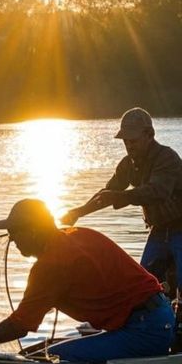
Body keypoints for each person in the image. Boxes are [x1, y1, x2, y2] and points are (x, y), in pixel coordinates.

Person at [0, 198, 175, 364]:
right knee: (45, 352)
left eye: (14, 232)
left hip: (144, 329)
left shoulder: (51, 265)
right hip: (160, 316)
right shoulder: (78, 234)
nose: (12, 240)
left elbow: (20, 325)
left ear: (33, 231)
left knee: (53, 359)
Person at [61, 107, 182, 291]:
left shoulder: (167, 158)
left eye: (133, 140)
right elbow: (108, 193)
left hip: (179, 229)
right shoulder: (127, 164)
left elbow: (157, 191)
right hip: (158, 231)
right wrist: (78, 212)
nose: (129, 145)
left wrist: (121, 197)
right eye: (125, 141)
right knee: (144, 285)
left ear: (149, 135)